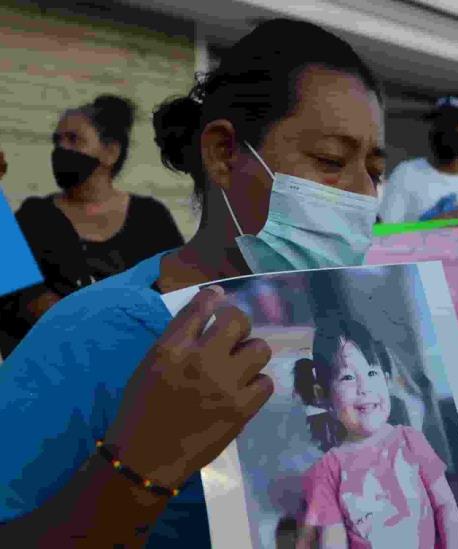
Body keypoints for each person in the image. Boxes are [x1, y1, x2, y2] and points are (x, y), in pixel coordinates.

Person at [0, 18, 386, 547]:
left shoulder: (355, 325)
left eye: (376, 169)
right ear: (224, 153)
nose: (364, 193)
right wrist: (141, 464)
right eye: (331, 161)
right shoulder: (93, 332)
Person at [0, 95, 184, 358]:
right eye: (57, 140)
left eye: (74, 139)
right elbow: (22, 297)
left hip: (139, 375)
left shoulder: (150, 218)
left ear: (111, 152)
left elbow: (178, 291)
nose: (61, 149)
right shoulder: (36, 216)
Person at [296, 319, 458, 548]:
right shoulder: (328, 470)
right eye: (348, 377)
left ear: (386, 380)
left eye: (372, 372)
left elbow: (445, 506)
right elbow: (333, 540)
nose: (364, 386)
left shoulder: (411, 441)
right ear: (323, 396)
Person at [378, 96, 458, 223]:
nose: (446, 130)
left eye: (455, 124)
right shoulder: (407, 173)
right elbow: (386, 233)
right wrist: (429, 229)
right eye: (440, 123)